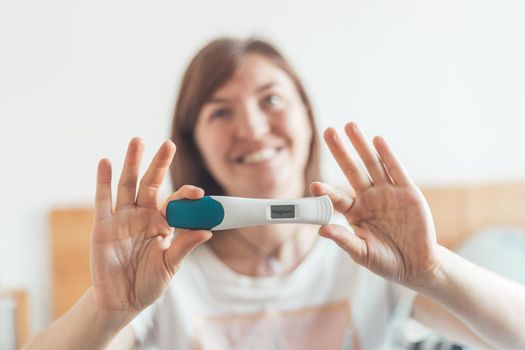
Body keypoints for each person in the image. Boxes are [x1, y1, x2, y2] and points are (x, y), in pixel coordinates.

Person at [23, 38, 525, 350]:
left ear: (308, 116)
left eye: (272, 99)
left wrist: (433, 269)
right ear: (194, 140)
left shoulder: (375, 262)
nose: (254, 128)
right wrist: (107, 312)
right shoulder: (159, 274)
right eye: (221, 112)